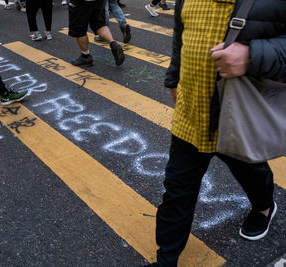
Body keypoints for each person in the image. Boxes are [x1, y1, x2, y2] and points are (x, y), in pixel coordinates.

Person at [147, 0, 286, 266]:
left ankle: (264, 206)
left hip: (238, 116)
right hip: (191, 115)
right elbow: (181, 37)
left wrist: (252, 56)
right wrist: (173, 78)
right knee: (176, 192)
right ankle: (166, 260)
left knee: (251, 170)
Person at [68, 0, 125, 67]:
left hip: (80, 2)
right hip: (97, 1)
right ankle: (113, 43)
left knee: (79, 30)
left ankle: (85, 57)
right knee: (100, 25)